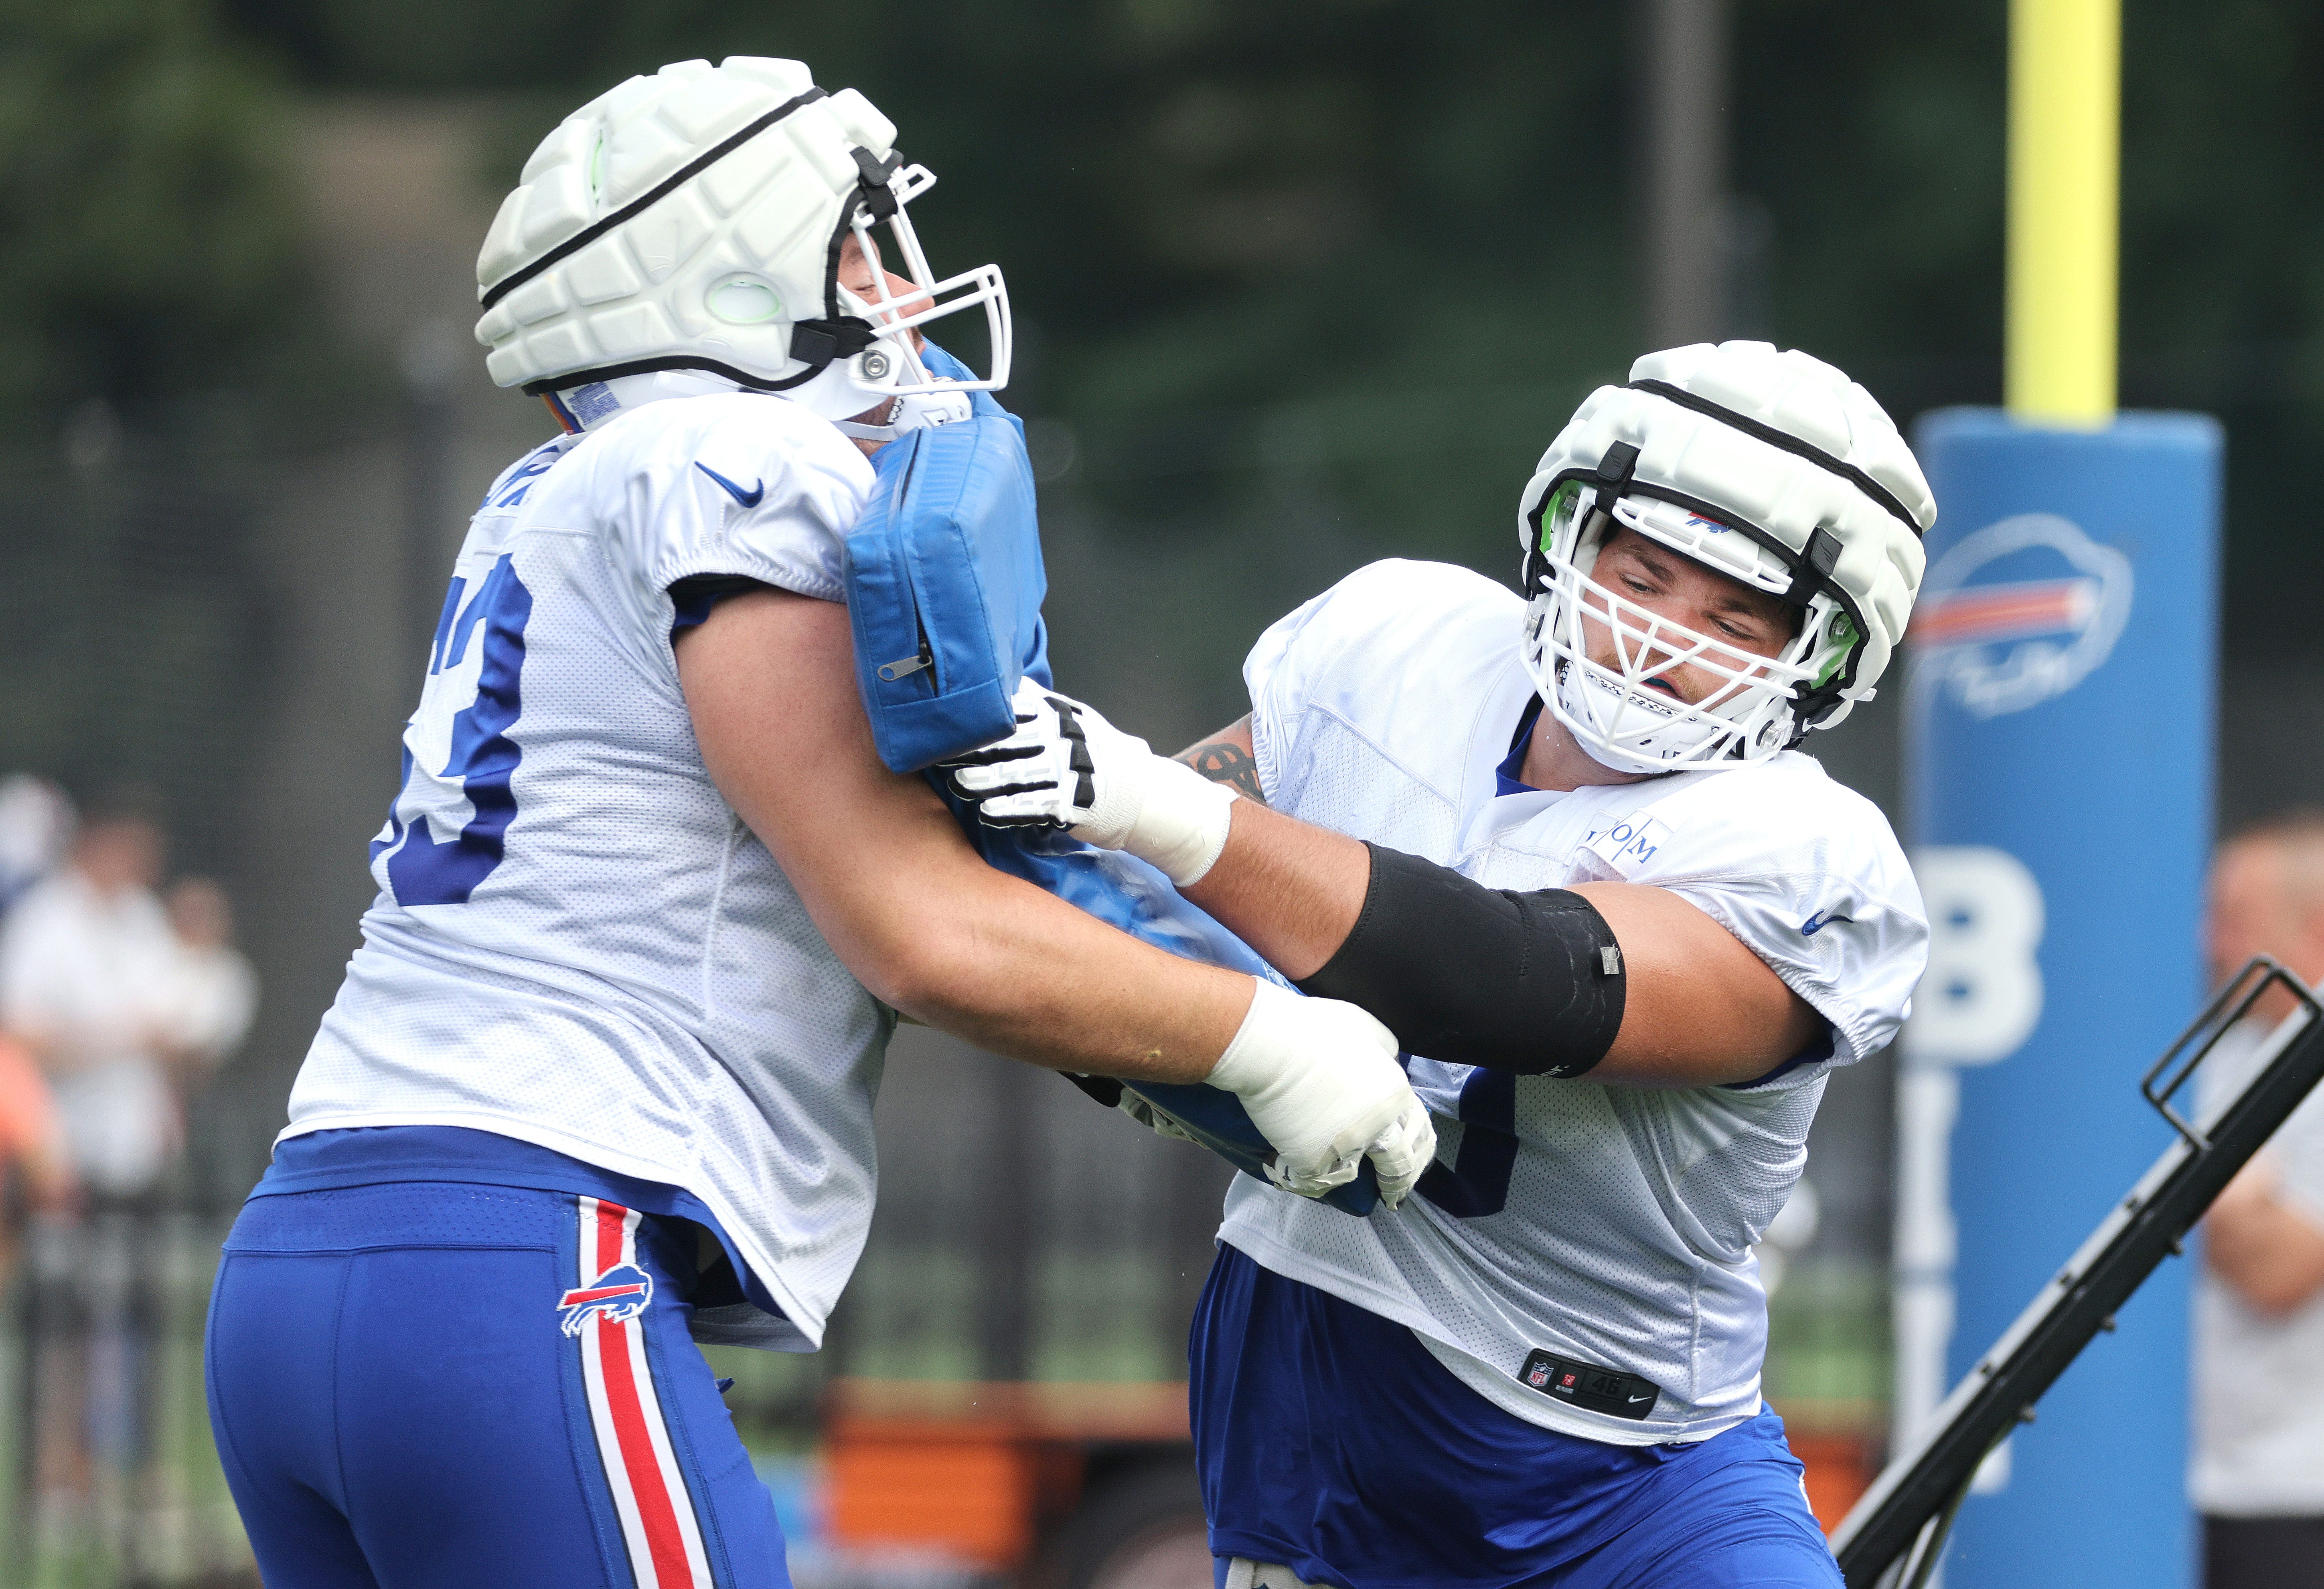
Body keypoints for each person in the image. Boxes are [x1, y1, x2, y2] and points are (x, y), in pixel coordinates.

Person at [202, 56, 1431, 1589]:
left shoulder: (555, 486)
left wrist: (1167, 817)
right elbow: (911, 925)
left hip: (314, 1248)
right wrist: (1263, 1035)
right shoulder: (741, 460)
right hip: (528, 1255)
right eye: (854, 243)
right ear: (725, 272)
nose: (894, 288)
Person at [949, 342, 1933, 1587]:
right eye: (1640, 574)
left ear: (1820, 664)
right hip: (1317, 1384)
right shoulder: (1401, 639)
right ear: (1564, 535)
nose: (1657, 639)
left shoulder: (1805, 852)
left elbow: (1522, 978)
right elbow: (1123, 911)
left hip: (1619, 1472)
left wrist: (1150, 804)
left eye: (1731, 618)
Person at [2190, 813, 2324, 1589]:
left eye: (2232, 917)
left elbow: (2277, 1270)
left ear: (2310, 924)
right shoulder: (2229, 1054)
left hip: (2293, 1493)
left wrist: (2218, 1195)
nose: (2209, 940)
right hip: (2201, 1483)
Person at [0, 787, 211, 1202]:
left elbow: (172, 1013)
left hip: (140, 1141)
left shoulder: (145, 916)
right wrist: (117, 1038)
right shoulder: (42, 922)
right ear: (98, 843)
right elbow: (18, 1038)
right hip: (60, 1143)